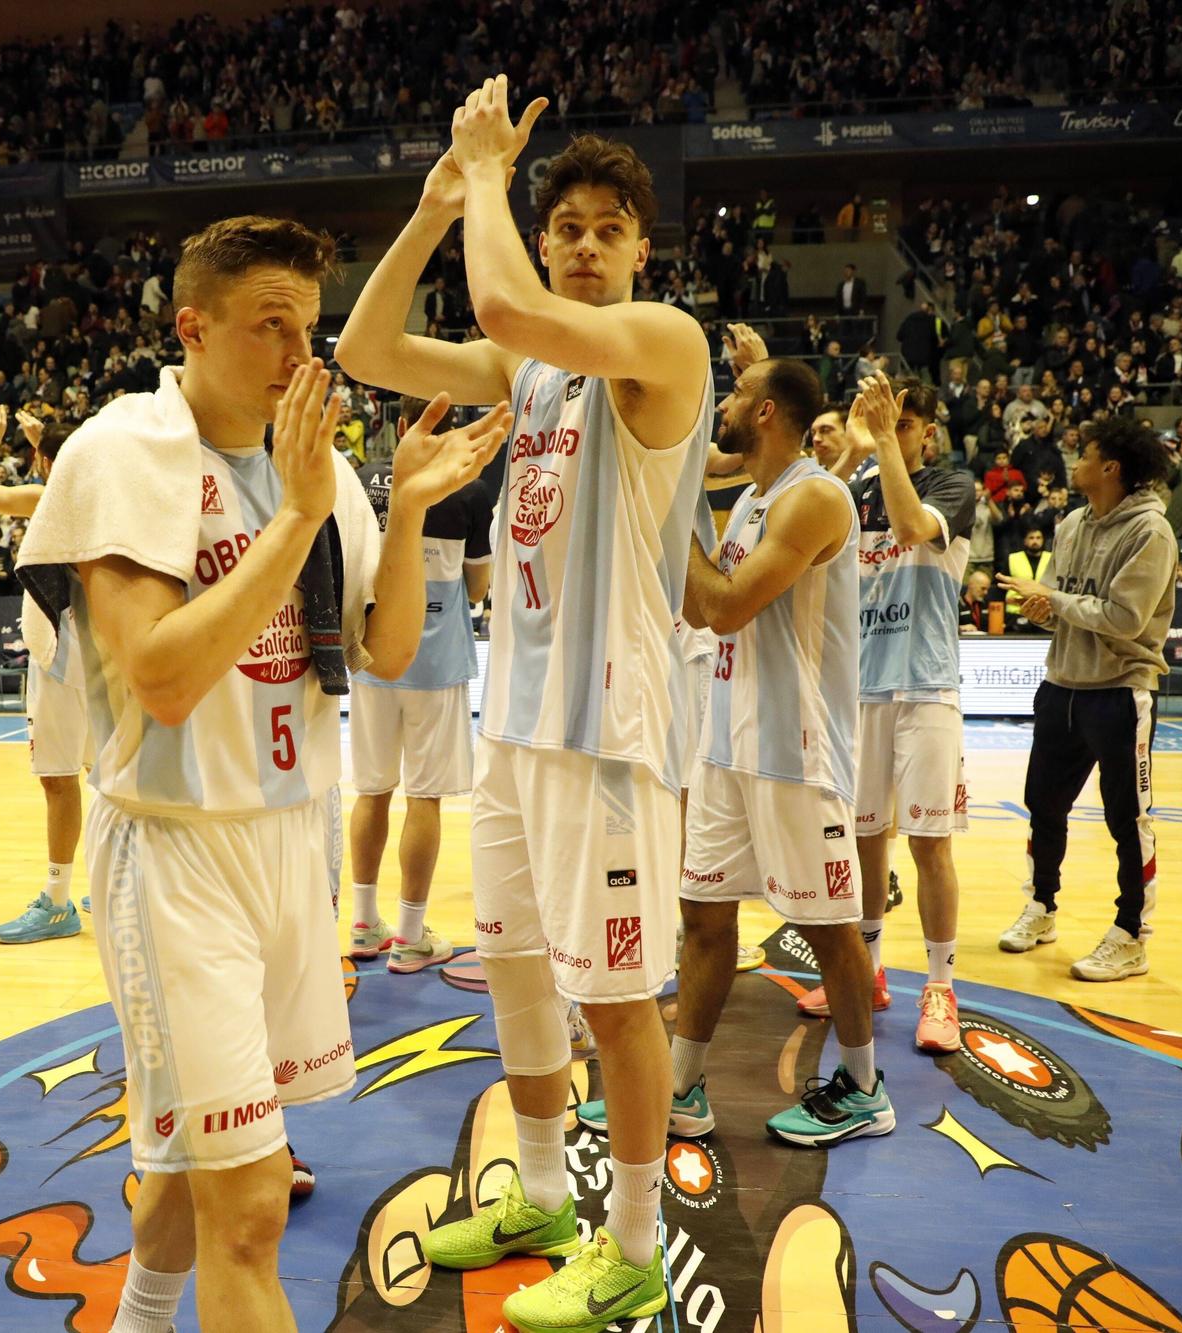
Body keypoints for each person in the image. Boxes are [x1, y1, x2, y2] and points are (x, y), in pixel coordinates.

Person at [15, 215, 509, 1329]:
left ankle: (142, 1316)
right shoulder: (123, 451)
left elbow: (381, 652)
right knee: (249, 1212)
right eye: (268, 326)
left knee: (203, 1166)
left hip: (294, 843)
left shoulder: (323, 472)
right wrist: (293, 514)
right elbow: (163, 678)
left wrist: (411, 504)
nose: (301, 357)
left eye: (309, 328)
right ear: (191, 327)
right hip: (180, 857)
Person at [337, 82, 714, 1326]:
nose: (587, 243)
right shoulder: (530, 366)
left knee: (612, 1001)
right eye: (569, 227)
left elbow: (501, 303)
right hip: (516, 717)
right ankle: (546, 1196)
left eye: (609, 227)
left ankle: (635, 1242)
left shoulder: (663, 342)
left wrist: (494, 178)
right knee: (511, 968)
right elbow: (365, 350)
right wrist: (437, 200)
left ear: (641, 252)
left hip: (609, 730)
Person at [676, 355, 893, 1150]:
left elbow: (725, 608)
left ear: (767, 413)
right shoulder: (756, 503)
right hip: (728, 744)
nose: (727, 405)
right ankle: (679, 1088)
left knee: (829, 927)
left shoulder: (814, 497)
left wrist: (676, 514)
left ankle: (865, 1086)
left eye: (737, 393)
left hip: (797, 751)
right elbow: (707, 616)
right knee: (701, 916)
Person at [801, 374, 974, 1053]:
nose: (886, 432)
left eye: (901, 423)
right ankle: (868, 971)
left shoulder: (952, 487)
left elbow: (907, 526)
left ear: (926, 431)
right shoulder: (854, 491)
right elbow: (801, 507)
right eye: (880, 420)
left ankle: (940, 984)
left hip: (926, 686)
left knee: (930, 844)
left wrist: (884, 452)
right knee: (865, 839)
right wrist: (852, 445)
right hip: (862, 689)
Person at [996, 417, 1178, 981]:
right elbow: (1072, 606)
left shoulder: (1150, 533)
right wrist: (1046, 610)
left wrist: (1054, 598)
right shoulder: (1072, 523)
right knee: (1043, 806)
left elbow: (1125, 619)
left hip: (1122, 691)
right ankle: (1042, 907)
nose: (1073, 461)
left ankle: (1131, 935)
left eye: (1084, 453)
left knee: (1129, 819)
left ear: (1110, 467)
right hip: (1062, 685)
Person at [345, 395, 495, 974]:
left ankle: (363, 924)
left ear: (400, 426)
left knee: (372, 790)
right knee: (423, 797)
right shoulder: (470, 493)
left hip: (372, 656)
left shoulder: (361, 480)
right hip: (434, 664)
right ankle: (410, 935)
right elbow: (478, 588)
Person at [0, 405, 93, 944]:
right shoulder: (107, 497)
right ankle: (113, 885)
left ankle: (58, 901)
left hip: (61, 658)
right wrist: (44, 446)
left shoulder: (44, 499)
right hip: (107, 657)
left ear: (43, 461)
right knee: (109, 783)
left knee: (60, 782)